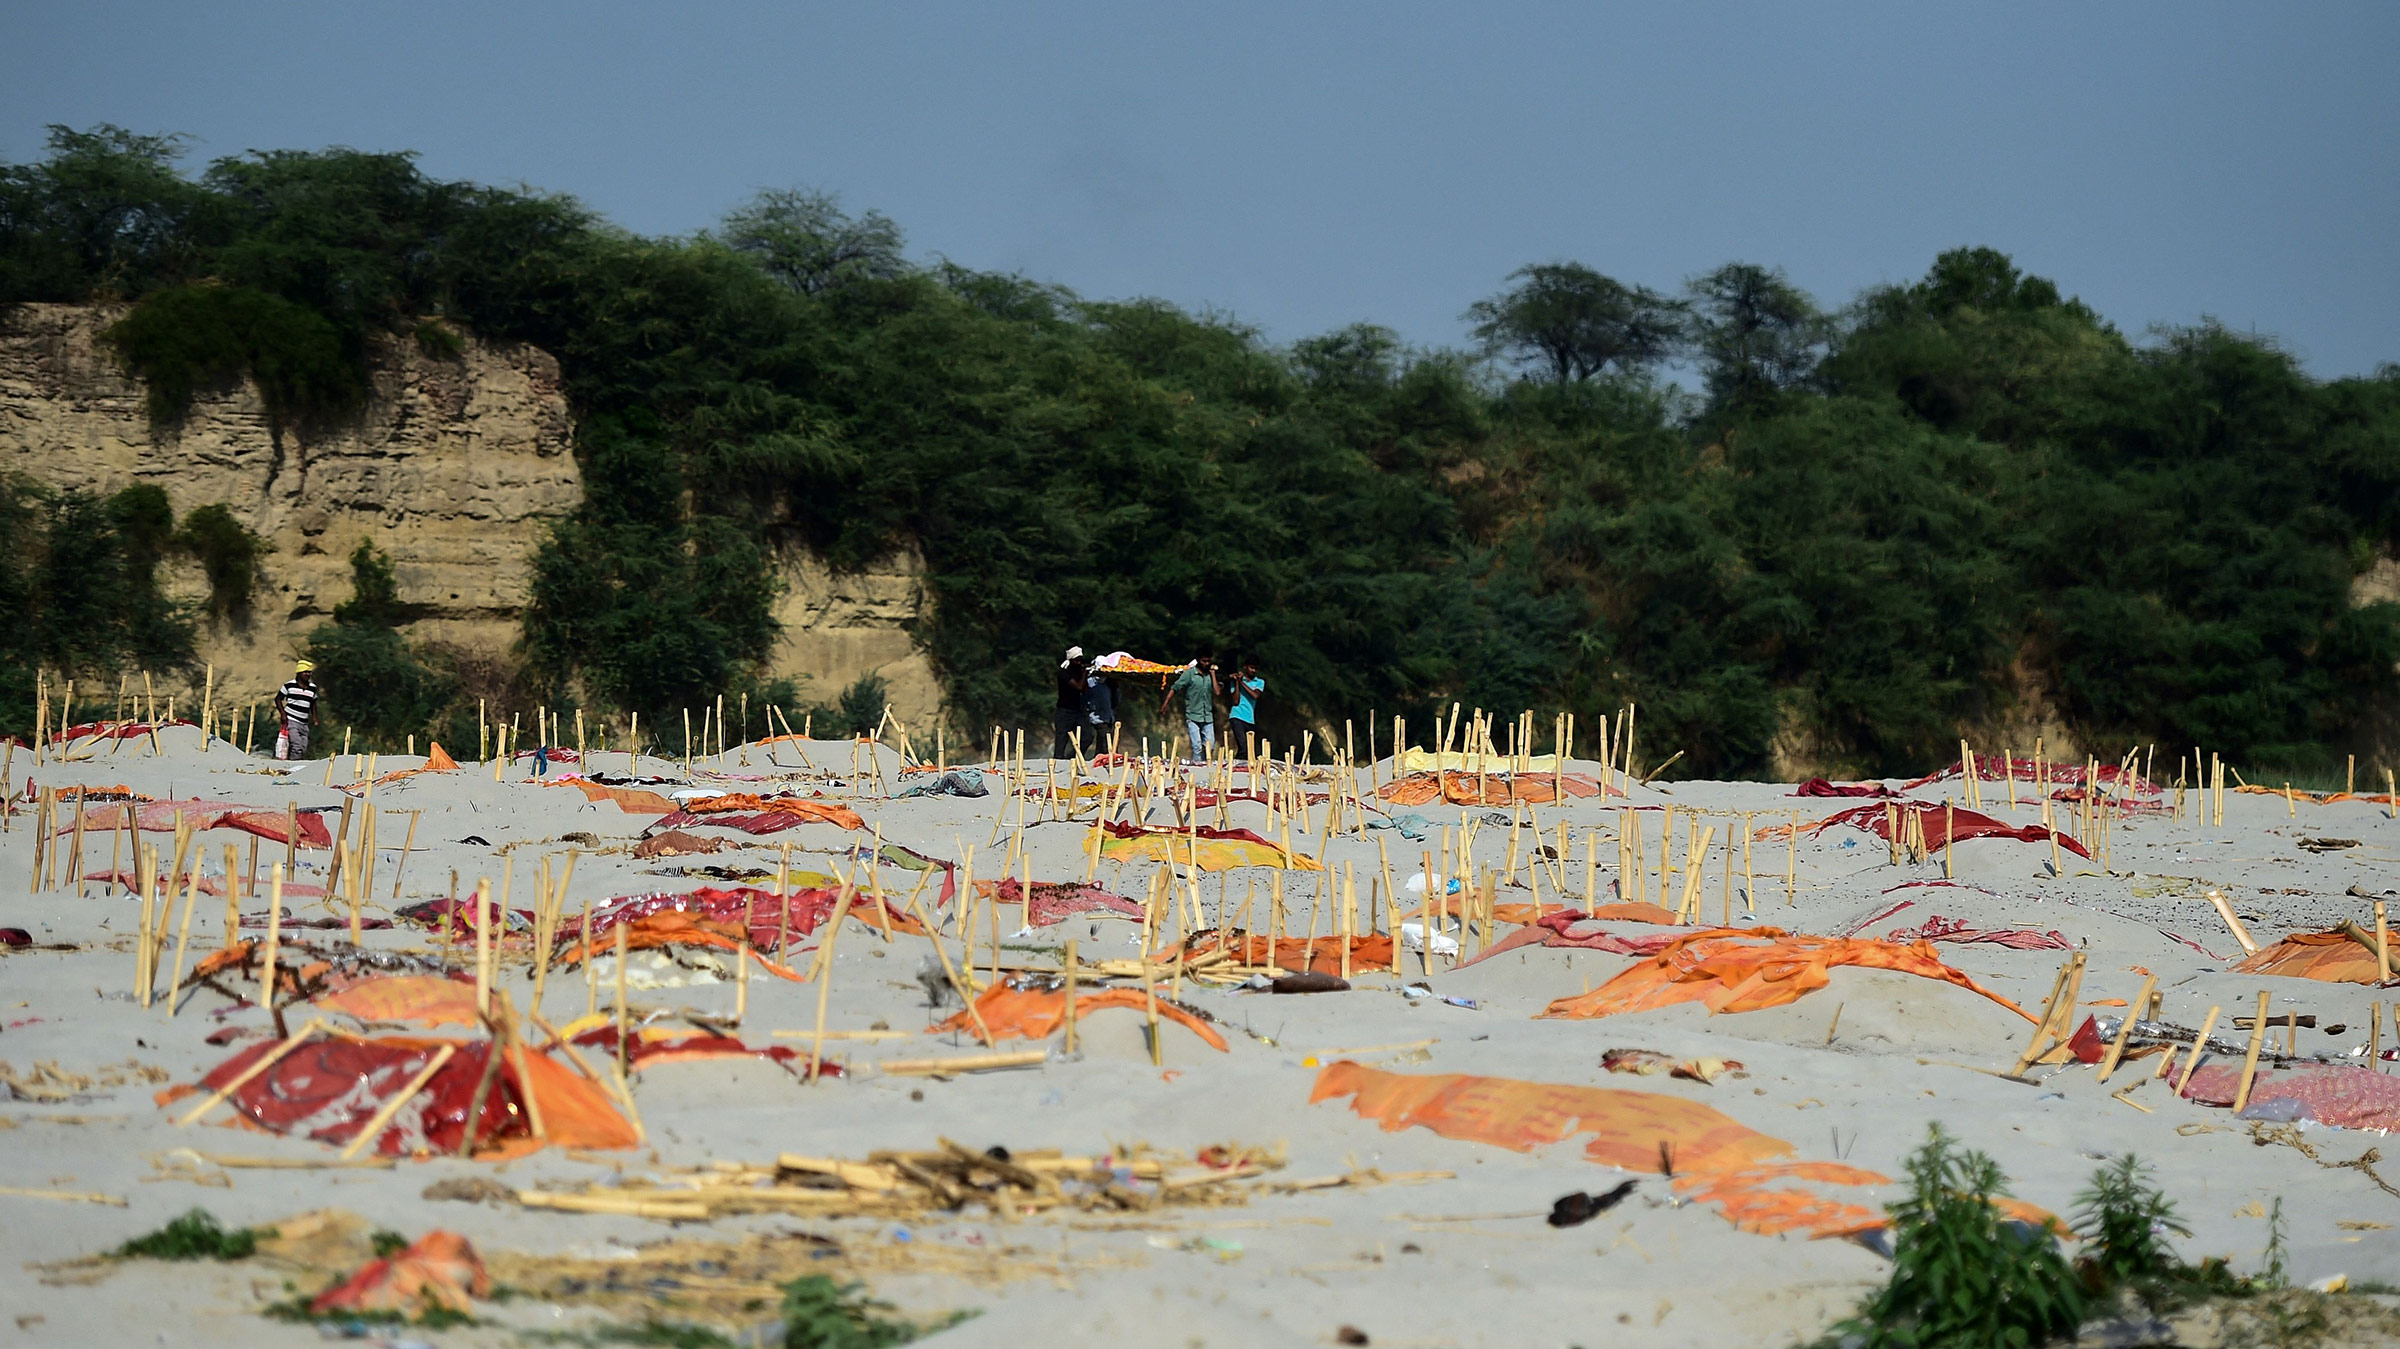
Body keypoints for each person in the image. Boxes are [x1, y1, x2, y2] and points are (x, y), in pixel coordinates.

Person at [1160, 653, 1219, 763]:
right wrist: (1166, 702)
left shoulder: (1210, 675)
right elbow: (1175, 687)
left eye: (1208, 661)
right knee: (1197, 747)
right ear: (1198, 661)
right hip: (1193, 715)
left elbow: (1217, 692)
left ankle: (1206, 765)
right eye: (1203, 661)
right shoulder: (1190, 674)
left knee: (1210, 746)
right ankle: (1197, 768)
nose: (1206, 664)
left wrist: (1213, 675)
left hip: (1207, 716)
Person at [274, 660, 320, 761]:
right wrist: (282, 714)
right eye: (305, 672)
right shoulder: (289, 685)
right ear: (299, 673)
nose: (308, 675)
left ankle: (293, 763)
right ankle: (292, 767)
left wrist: (315, 719)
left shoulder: (312, 688)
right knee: (297, 747)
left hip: (304, 722)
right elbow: (278, 699)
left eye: (309, 672)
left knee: (303, 748)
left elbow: (313, 703)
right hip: (291, 720)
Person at [1052, 646, 1089, 760]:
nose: (1079, 662)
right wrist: (1084, 674)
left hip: (1078, 710)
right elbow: (1078, 687)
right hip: (1065, 710)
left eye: (1080, 660)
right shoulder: (1064, 673)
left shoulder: (1078, 672)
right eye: (1076, 660)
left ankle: (1072, 757)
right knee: (1062, 739)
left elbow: (1084, 690)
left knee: (1087, 737)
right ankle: (1058, 761)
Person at [1225, 659, 1264, 758]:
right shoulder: (1235, 682)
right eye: (1251, 668)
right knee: (1243, 747)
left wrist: (1242, 683)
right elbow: (1235, 701)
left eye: (1255, 668)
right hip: (1237, 716)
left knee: (1250, 749)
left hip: (1249, 718)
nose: (1253, 671)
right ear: (1246, 667)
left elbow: (1255, 695)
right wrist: (1237, 683)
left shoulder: (1259, 682)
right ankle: (1236, 765)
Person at [1083, 666, 1118, 753]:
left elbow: (1113, 700)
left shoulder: (1107, 684)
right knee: (1104, 740)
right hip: (1097, 717)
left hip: (1108, 717)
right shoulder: (1090, 683)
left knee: (1108, 741)